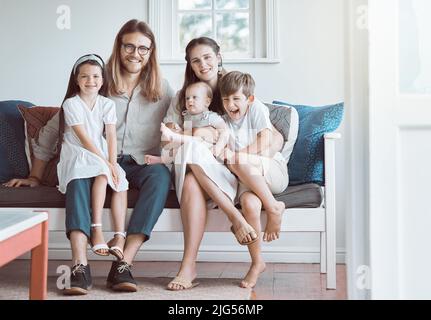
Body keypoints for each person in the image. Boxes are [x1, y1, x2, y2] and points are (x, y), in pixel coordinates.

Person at [4, 19, 174, 295]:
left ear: (151, 52)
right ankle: (79, 265)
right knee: (78, 177)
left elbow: (180, 120)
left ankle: (123, 263)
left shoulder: (163, 89)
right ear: (118, 48)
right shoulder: (97, 82)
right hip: (98, 161)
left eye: (143, 48)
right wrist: (35, 176)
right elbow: (53, 130)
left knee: (161, 176)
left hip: (142, 164)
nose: (135, 53)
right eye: (129, 46)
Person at [163, 37, 286, 290]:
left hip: (240, 166)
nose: (203, 64)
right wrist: (188, 135)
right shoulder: (185, 97)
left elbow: (273, 137)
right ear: (190, 65)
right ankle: (190, 264)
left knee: (200, 163)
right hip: (207, 166)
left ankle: (252, 220)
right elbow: (169, 142)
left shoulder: (235, 89)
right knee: (190, 173)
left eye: (208, 57)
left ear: (219, 58)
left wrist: (245, 158)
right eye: (196, 60)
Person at [219, 71, 291, 288]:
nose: (230, 104)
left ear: (248, 99)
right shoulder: (223, 122)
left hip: (272, 172)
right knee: (249, 203)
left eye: (236, 99)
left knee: (237, 161)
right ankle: (257, 262)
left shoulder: (256, 108)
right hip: (248, 181)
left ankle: (274, 207)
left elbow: (266, 137)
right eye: (225, 99)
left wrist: (241, 157)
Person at [57, 54, 129, 260]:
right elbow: (83, 138)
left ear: (103, 80)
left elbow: (111, 136)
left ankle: (119, 236)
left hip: (100, 149)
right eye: (85, 77)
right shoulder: (71, 104)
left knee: (120, 181)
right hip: (78, 150)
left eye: (96, 76)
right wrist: (105, 163)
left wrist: (113, 163)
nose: (91, 81)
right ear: (76, 80)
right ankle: (96, 228)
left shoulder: (107, 104)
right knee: (103, 172)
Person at [145, 81, 229, 165]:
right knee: (180, 150)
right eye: (187, 98)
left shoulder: (211, 117)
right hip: (193, 151)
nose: (190, 100)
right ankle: (162, 159)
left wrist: (218, 147)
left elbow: (225, 131)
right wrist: (179, 130)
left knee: (194, 141)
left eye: (194, 97)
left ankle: (175, 137)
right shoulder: (187, 116)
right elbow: (188, 134)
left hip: (209, 150)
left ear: (207, 102)